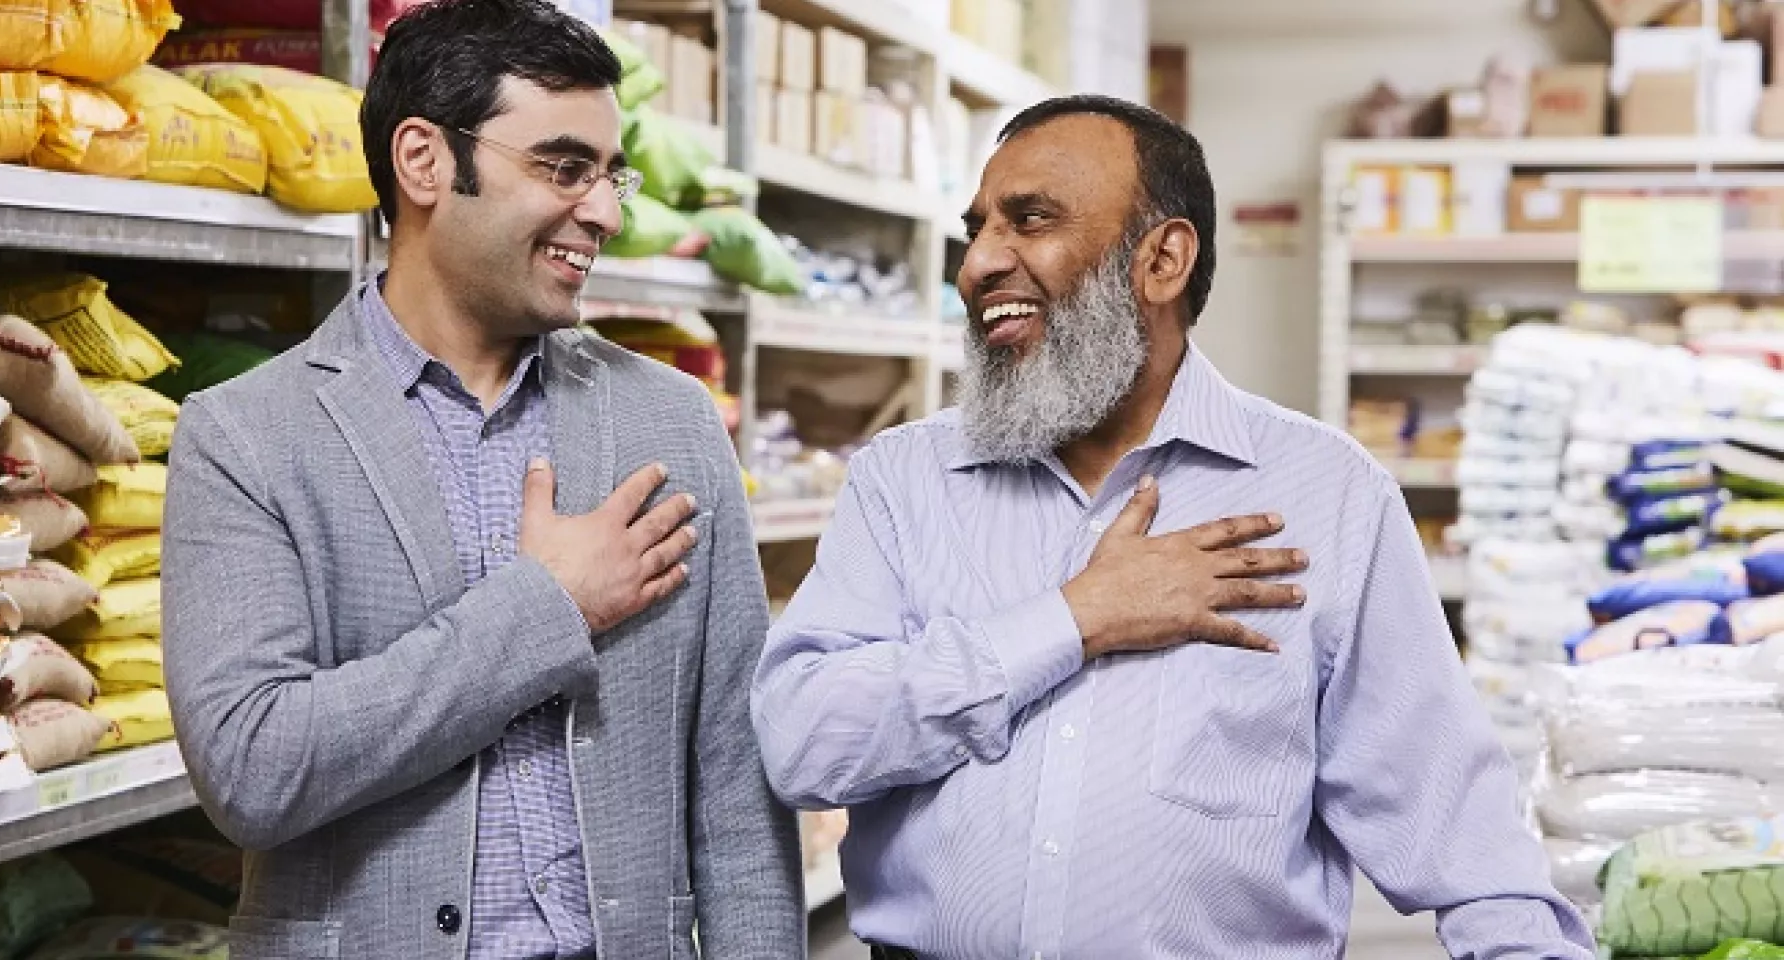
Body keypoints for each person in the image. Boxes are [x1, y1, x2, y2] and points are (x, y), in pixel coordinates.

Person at [751, 95, 1593, 960]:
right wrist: (1075, 619)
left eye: (1030, 221)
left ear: (1162, 260)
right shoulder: (905, 480)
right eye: (979, 230)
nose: (980, 264)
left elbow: (1453, 821)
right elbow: (803, 743)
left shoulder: (1329, 495)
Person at [161, 2, 802, 958]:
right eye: (563, 168)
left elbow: (737, 787)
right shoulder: (247, 435)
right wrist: (548, 607)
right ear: (424, 161)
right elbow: (253, 769)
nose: (606, 213)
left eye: (611, 175)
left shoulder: (671, 422)